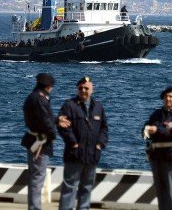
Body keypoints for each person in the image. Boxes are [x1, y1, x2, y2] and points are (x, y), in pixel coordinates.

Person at [57, 76, 108, 210]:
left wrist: (100, 145)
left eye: (86, 88)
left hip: (92, 154)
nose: (83, 91)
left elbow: (104, 128)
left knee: (87, 187)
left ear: (92, 89)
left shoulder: (98, 107)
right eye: (80, 88)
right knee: (69, 187)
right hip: (74, 153)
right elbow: (63, 127)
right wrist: (73, 143)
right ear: (77, 89)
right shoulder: (69, 106)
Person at [143, 86, 172, 210]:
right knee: (160, 191)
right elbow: (146, 127)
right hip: (156, 156)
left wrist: (158, 130)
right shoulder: (156, 114)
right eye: (166, 96)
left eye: (171, 96)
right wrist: (145, 131)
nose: (168, 99)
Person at [21, 73, 58, 210]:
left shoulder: (32, 97)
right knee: (37, 178)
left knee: (34, 176)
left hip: (32, 139)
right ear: (48, 87)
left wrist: (57, 120)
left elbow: (43, 117)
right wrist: (52, 136)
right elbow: (46, 121)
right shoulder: (41, 99)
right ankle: (34, 207)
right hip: (40, 142)